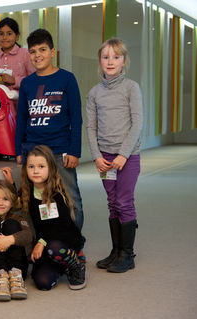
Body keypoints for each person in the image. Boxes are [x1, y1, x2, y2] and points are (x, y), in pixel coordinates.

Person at [15, 29, 85, 247]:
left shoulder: (67, 79)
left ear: (52, 52)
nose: (37, 55)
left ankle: (73, 245)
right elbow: (21, 119)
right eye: (33, 51)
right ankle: (39, 245)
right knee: (33, 202)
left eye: (42, 50)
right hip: (33, 151)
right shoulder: (27, 83)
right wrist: (19, 150)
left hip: (60, 149)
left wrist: (74, 151)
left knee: (70, 199)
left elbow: (77, 118)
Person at [86, 38, 143, 273]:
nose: (110, 61)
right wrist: (97, 156)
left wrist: (123, 154)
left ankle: (127, 255)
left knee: (123, 201)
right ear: (100, 61)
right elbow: (91, 127)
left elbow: (137, 122)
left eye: (116, 57)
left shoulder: (131, 87)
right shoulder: (94, 93)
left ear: (124, 61)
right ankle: (116, 251)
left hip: (127, 156)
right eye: (106, 57)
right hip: (105, 158)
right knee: (112, 203)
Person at [8, 145, 86, 290]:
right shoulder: (28, 191)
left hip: (64, 239)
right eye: (31, 166)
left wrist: (42, 242)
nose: (36, 171)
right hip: (44, 242)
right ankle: (61, 266)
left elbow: (60, 225)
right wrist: (11, 184)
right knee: (42, 283)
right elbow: (16, 204)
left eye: (41, 166)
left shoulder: (57, 193)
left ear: (50, 168)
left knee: (54, 247)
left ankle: (76, 264)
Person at [0, 17, 35, 93]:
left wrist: (14, 80)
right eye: (1, 34)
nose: (5, 37)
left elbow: (34, 80)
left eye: (9, 34)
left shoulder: (25, 53)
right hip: (0, 102)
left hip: (22, 102)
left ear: (17, 36)